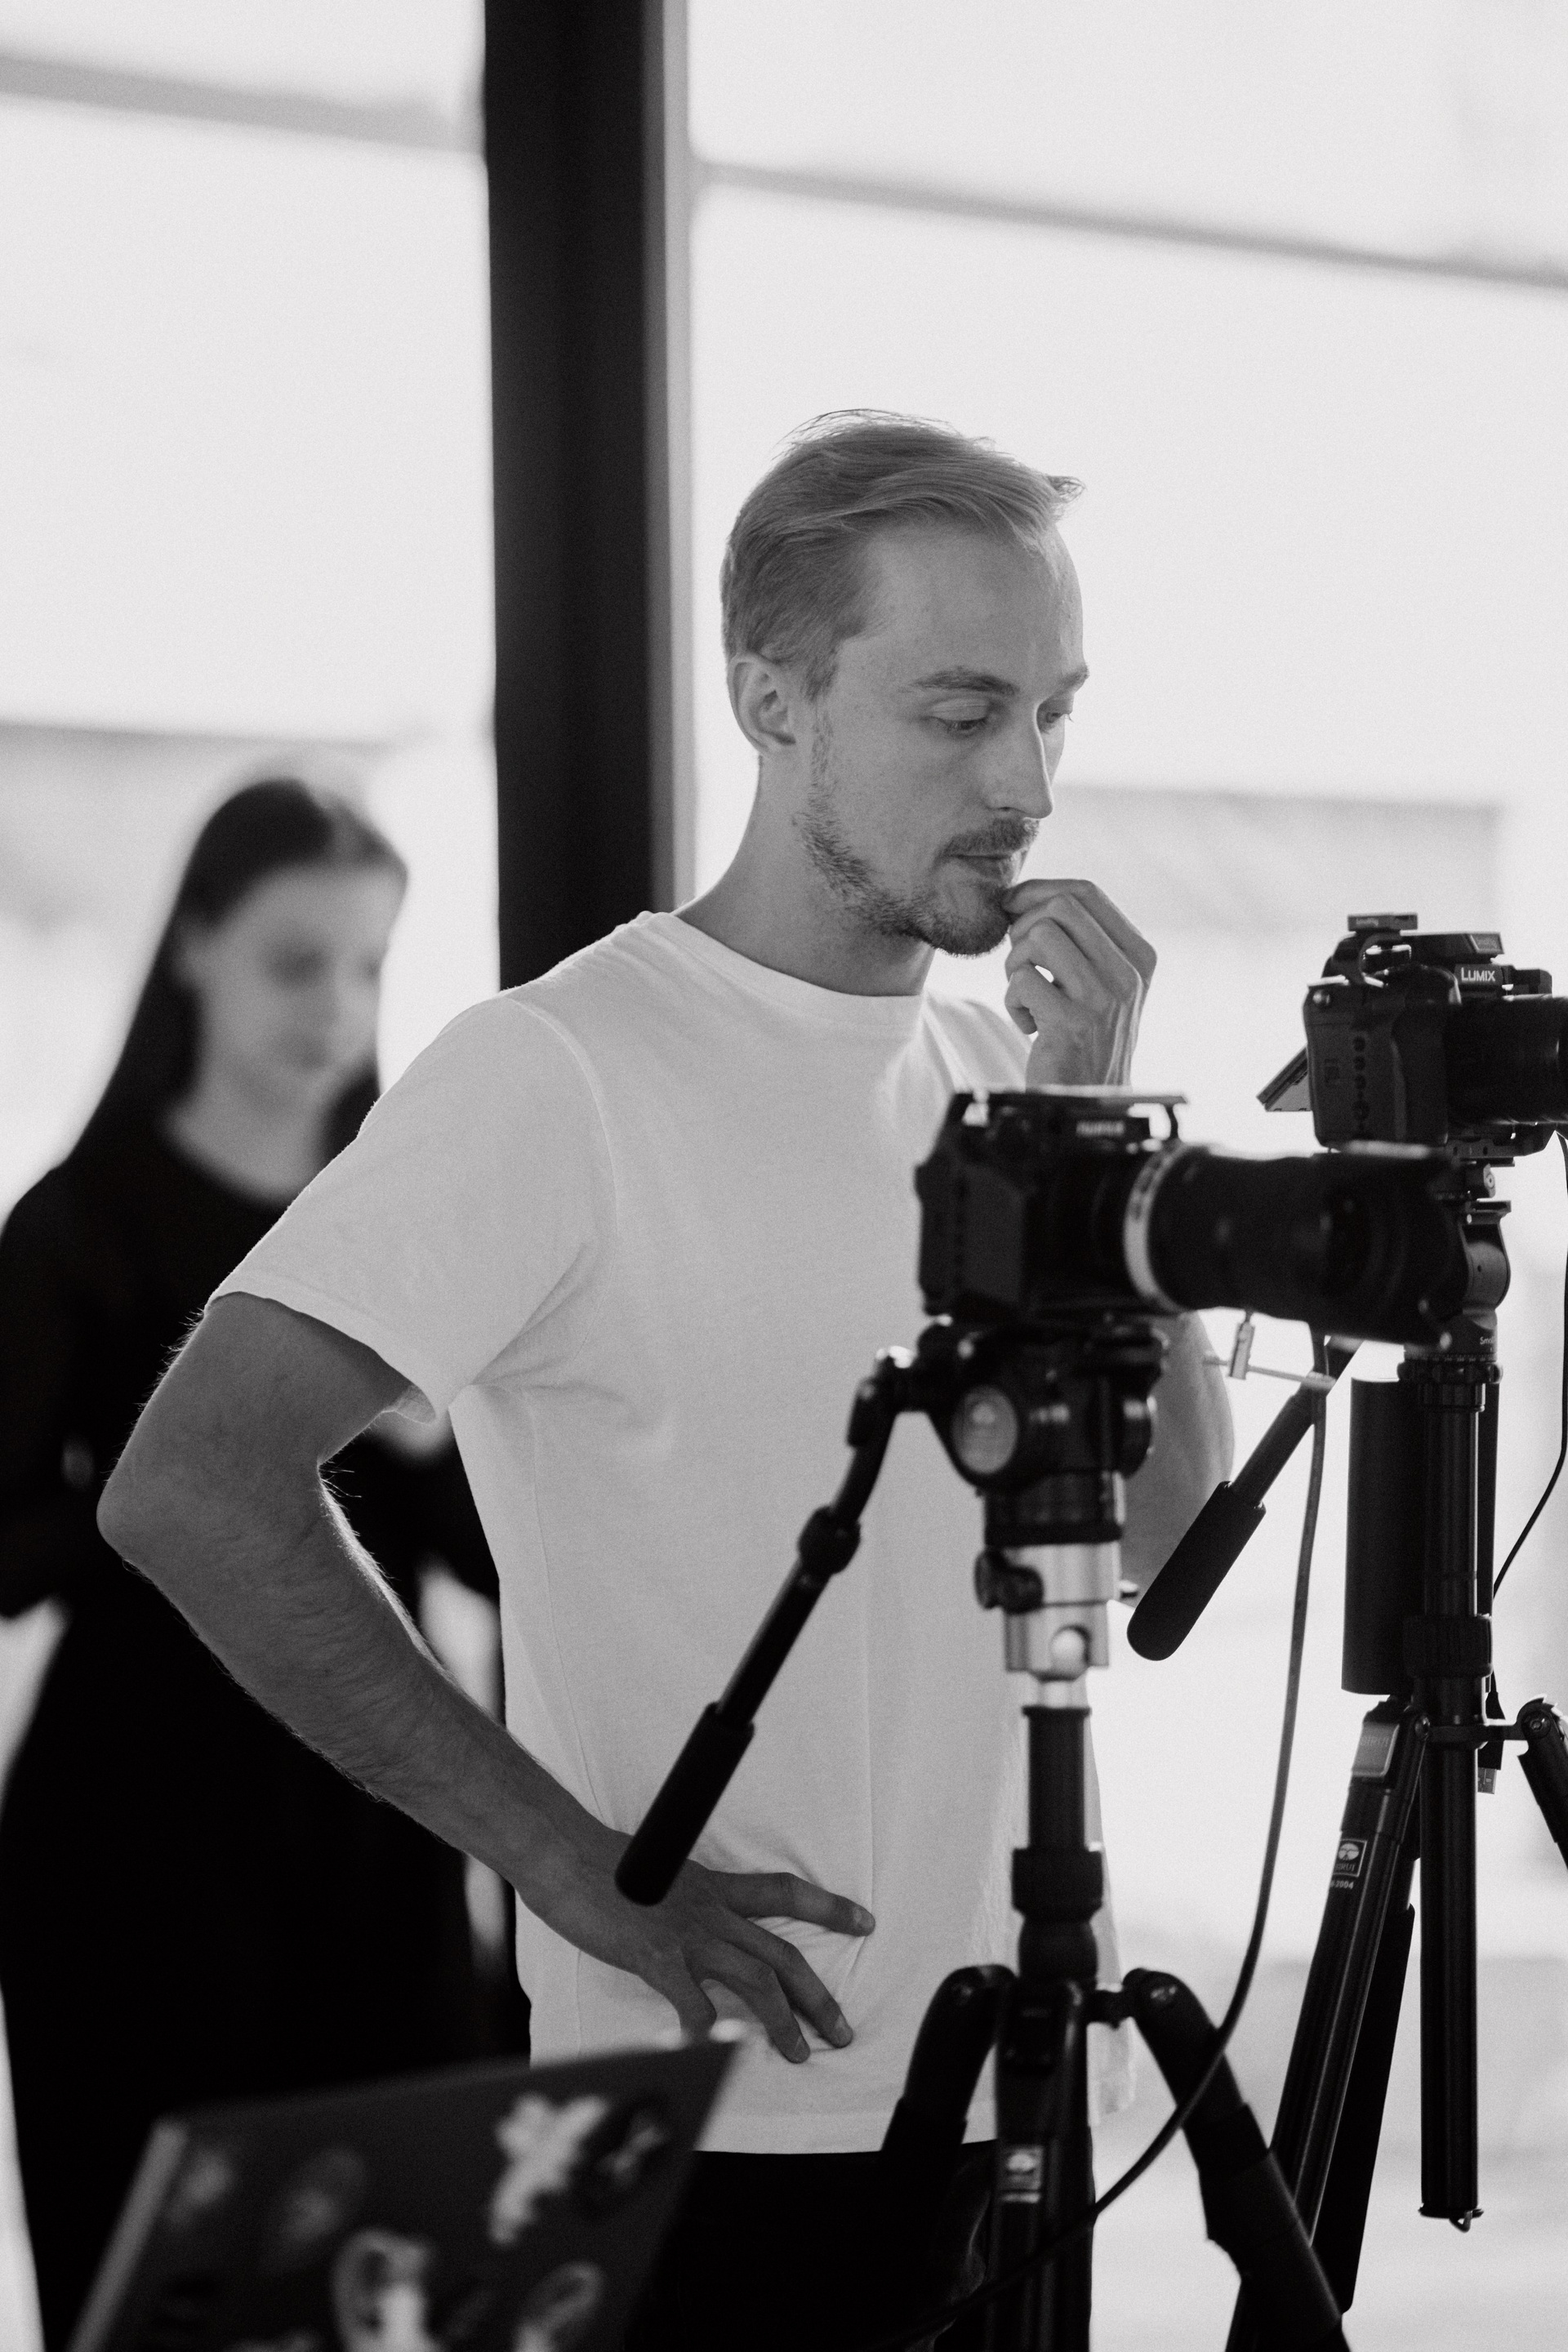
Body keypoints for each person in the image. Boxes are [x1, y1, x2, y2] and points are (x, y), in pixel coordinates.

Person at [99, 418, 1232, 2349]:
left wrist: (1099, 1151)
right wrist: (577, 1874)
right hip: (716, 2135)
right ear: (770, 699)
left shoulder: (1011, 1074)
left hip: (1026, 2096)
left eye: (1055, 712)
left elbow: (1173, 1544)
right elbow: (192, 1484)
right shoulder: (560, 1073)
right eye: (963, 713)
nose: (1029, 785)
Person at [0, 779, 524, 2351]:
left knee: (420, 2285)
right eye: (298, 962)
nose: (335, 1008)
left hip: (381, 1801)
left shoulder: (402, 1213)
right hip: (136, 1830)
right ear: (195, 948)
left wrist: (434, 1437)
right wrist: (166, 1486)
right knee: (159, 2292)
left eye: (367, 966)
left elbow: (500, 1562)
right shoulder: (78, 1226)